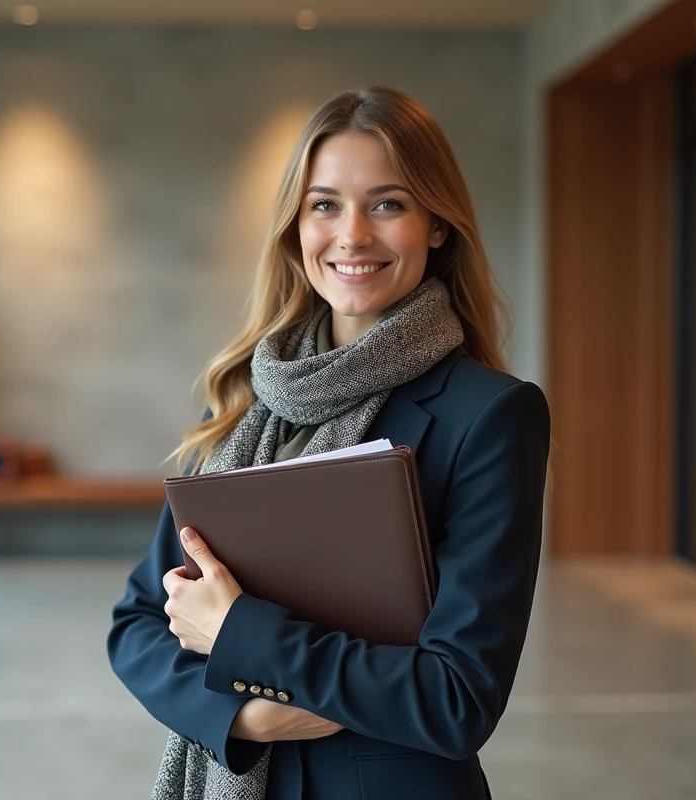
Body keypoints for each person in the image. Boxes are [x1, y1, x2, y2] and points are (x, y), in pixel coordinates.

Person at [107, 86, 551, 800]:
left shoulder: (492, 416)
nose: (352, 236)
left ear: (436, 223)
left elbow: (458, 697)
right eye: (324, 205)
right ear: (295, 228)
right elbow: (138, 622)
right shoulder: (246, 402)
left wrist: (245, 636)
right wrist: (245, 718)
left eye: (387, 204)